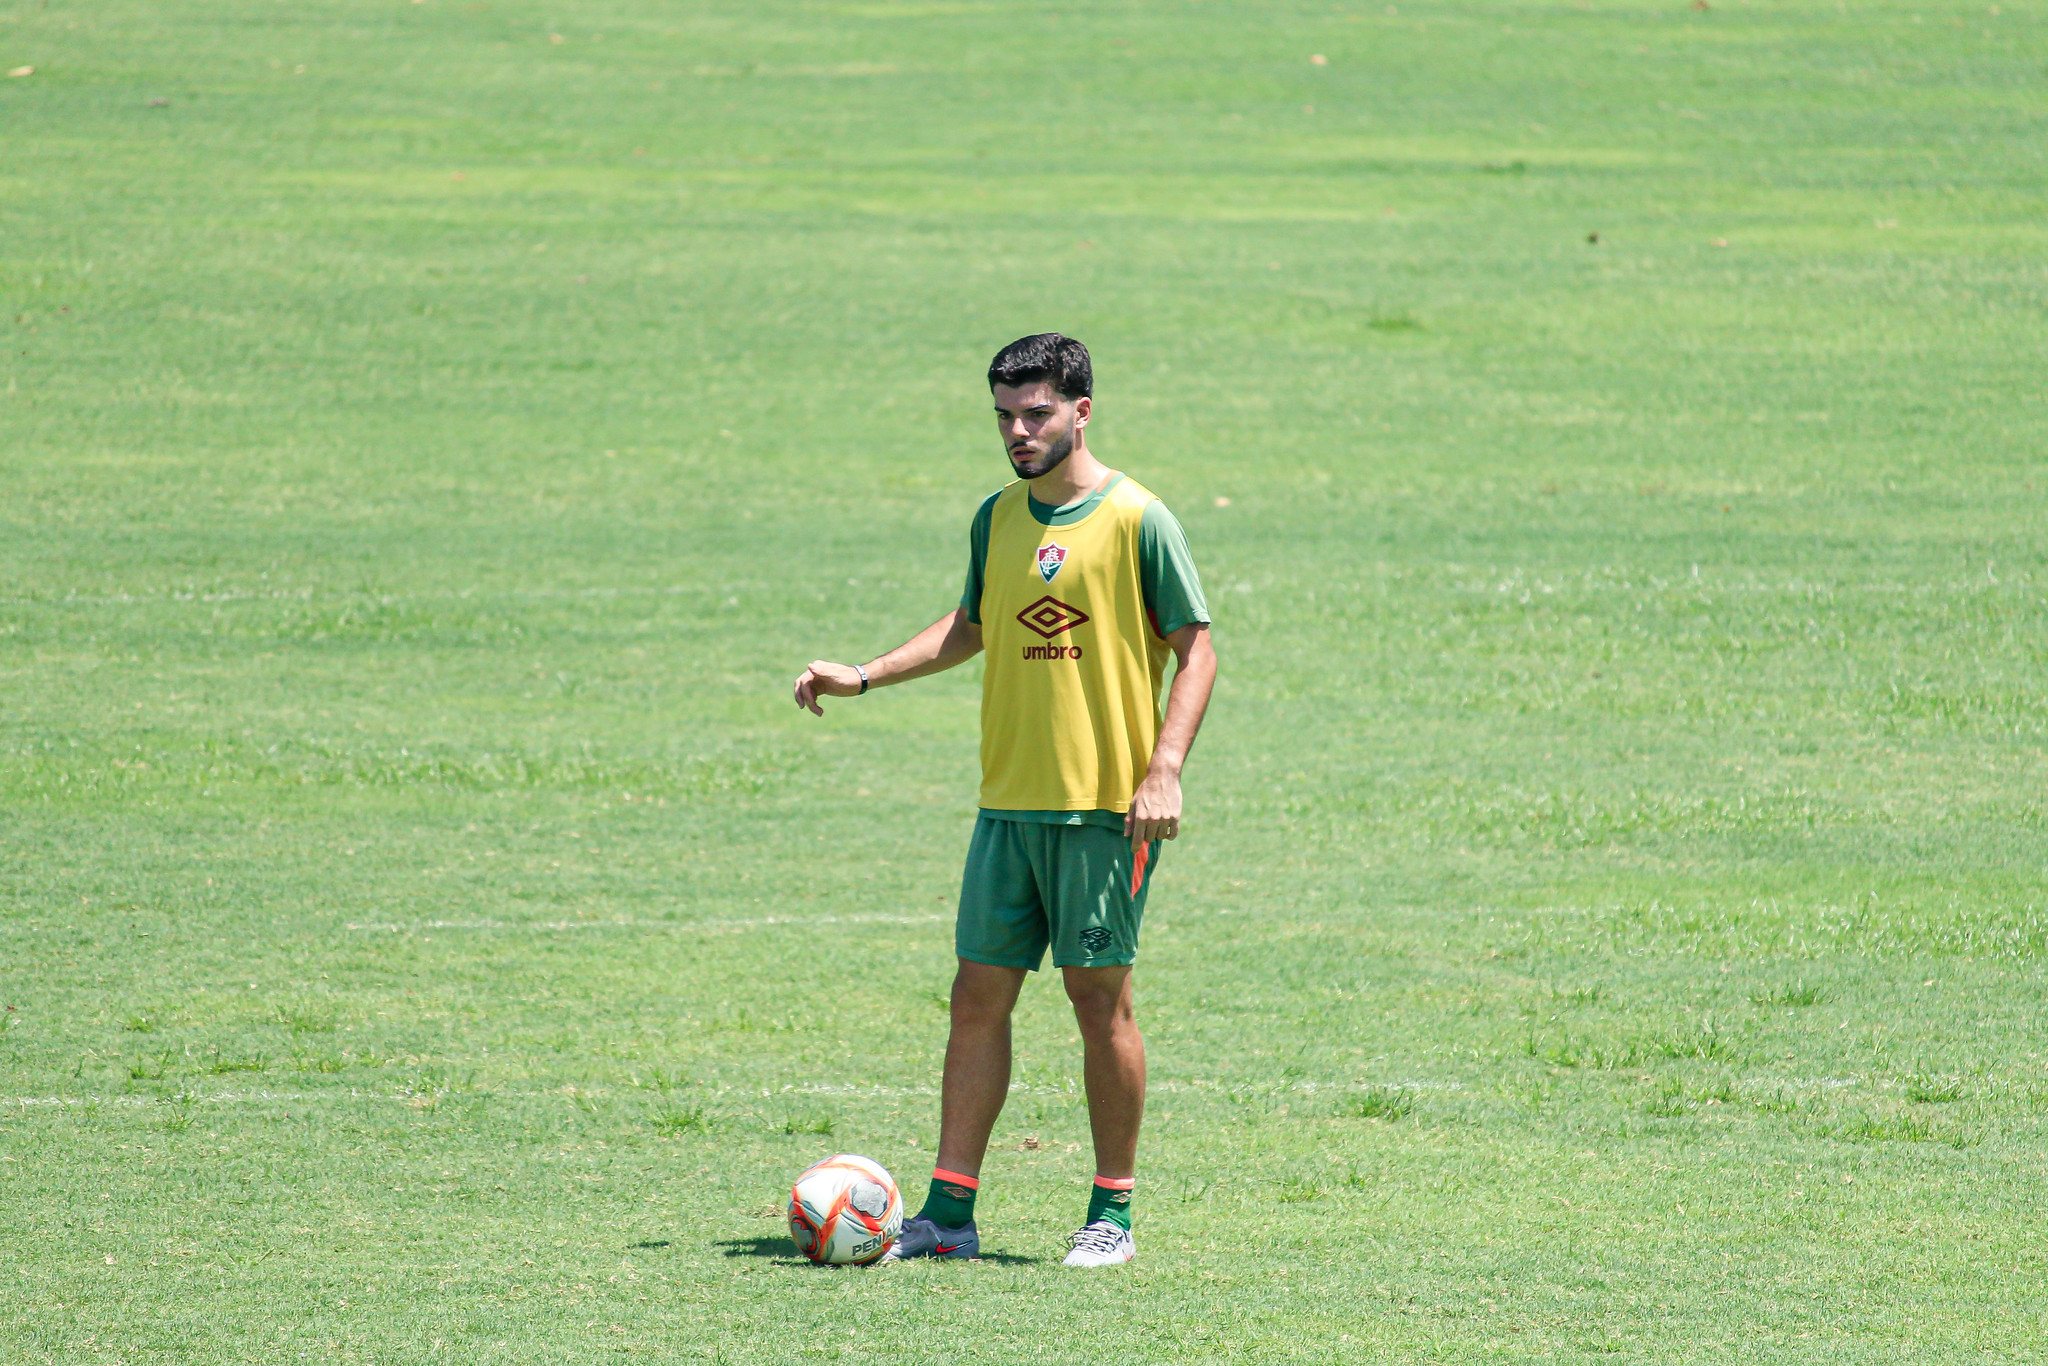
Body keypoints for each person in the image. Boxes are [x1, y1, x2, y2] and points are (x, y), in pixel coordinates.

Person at [792, 333, 1216, 1267]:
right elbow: (973, 624)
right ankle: (949, 1214)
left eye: (1035, 414)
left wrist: (1165, 767)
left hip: (1102, 811)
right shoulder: (997, 517)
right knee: (976, 996)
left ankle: (1112, 1216)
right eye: (1004, 417)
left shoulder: (1140, 520)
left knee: (1098, 1002)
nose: (1017, 432)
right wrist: (864, 675)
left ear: (1081, 412)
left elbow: (1197, 650)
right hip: (1007, 806)